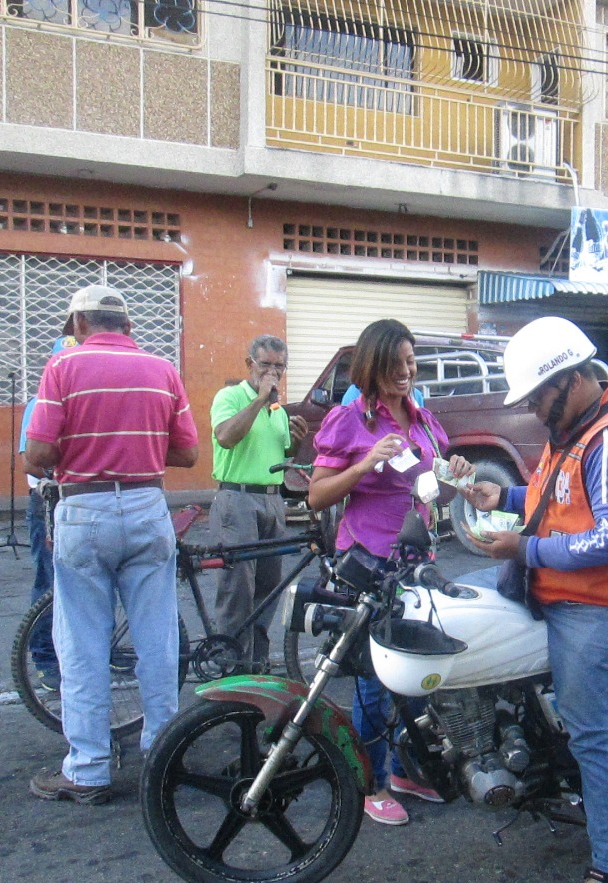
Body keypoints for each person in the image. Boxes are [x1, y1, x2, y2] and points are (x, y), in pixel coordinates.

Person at [461, 315, 608, 883]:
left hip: (599, 605)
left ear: (569, 380)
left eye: (536, 397)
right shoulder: (570, 432)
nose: (532, 409)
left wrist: (525, 548)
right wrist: (504, 499)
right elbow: (558, 500)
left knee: (593, 734)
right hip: (556, 589)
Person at [24, 285, 199, 805]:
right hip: (147, 505)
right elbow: (187, 453)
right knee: (158, 641)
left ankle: (88, 769)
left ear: (79, 324)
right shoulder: (162, 370)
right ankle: (164, 754)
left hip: (85, 508)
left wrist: (82, 446)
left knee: (82, 645)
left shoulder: (63, 367)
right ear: (127, 326)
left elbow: (37, 455)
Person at [307, 318, 474, 826]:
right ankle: (369, 782)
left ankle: (405, 770)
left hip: (416, 564)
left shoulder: (423, 420)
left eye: (411, 361)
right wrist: (364, 465)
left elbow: (435, 488)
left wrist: (455, 475)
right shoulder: (349, 420)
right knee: (375, 681)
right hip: (369, 564)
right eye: (395, 363)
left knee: (417, 674)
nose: (406, 371)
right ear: (372, 366)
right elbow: (317, 495)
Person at [209, 335, 309, 664]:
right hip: (237, 498)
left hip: (272, 499)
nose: (272, 372)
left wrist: (295, 442)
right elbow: (225, 437)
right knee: (237, 588)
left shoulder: (277, 409)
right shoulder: (230, 396)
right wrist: (259, 399)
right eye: (265, 365)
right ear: (249, 364)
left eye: (279, 367)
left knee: (269, 586)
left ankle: (258, 663)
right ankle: (232, 666)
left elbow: (280, 456)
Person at [18, 328, 77, 691]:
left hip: (77, 499)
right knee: (49, 582)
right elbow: (30, 461)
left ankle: (100, 649)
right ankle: (44, 658)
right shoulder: (39, 404)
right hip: (47, 502)